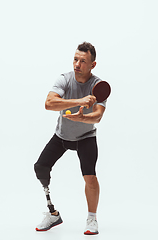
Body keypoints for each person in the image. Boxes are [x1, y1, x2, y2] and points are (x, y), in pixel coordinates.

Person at [34, 42, 107, 235]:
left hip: (86, 136)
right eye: (75, 59)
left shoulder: (98, 86)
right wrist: (79, 102)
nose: (77, 64)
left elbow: (98, 116)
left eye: (83, 61)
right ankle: (53, 214)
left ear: (93, 65)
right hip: (62, 135)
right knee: (40, 167)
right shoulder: (64, 79)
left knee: (89, 176)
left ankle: (92, 218)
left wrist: (84, 117)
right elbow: (49, 104)